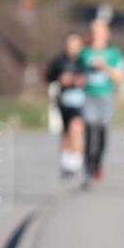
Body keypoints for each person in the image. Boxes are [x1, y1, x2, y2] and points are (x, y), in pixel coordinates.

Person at [80, 18, 124, 182]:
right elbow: (76, 72)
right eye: (94, 31)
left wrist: (104, 66)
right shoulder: (84, 52)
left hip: (105, 96)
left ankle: (98, 163)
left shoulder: (114, 53)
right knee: (89, 130)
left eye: (100, 31)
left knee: (101, 132)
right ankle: (88, 166)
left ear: (107, 33)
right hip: (87, 95)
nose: (96, 35)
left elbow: (120, 77)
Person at [46, 32, 87, 178]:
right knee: (65, 132)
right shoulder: (58, 61)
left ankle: (76, 162)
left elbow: (88, 77)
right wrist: (60, 79)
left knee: (76, 127)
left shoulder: (83, 60)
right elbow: (49, 77)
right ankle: (66, 162)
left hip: (80, 101)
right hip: (63, 101)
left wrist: (80, 80)